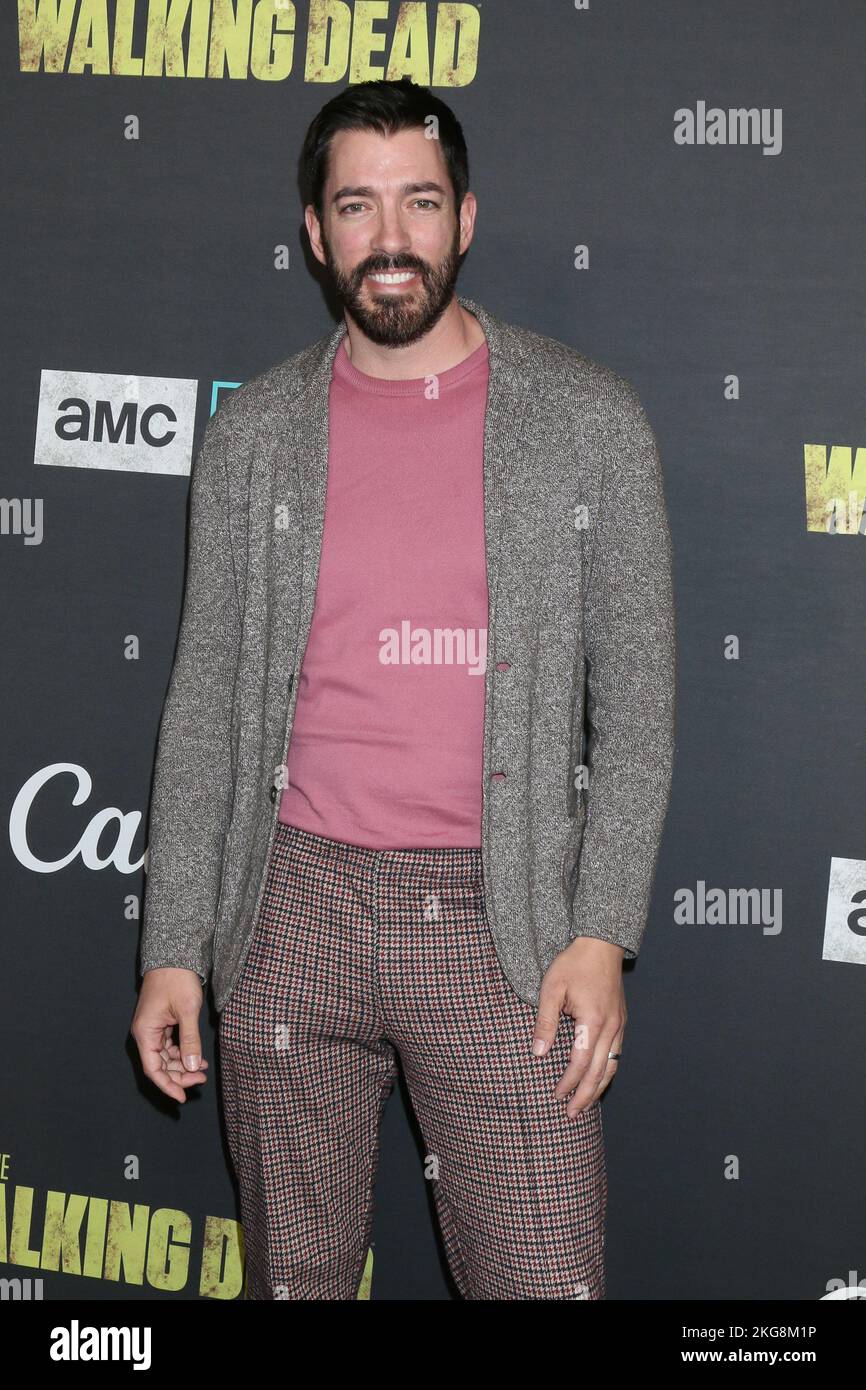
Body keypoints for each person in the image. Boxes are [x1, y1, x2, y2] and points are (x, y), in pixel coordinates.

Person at [131, 77, 676, 1301]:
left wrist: (599, 931)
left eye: (418, 203)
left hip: (504, 922)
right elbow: (206, 702)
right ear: (315, 235)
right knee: (296, 1283)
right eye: (357, 207)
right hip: (288, 909)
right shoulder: (254, 434)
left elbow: (635, 709)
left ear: (464, 219)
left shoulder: (588, 422)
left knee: (544, 1279)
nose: (390, 240)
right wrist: (174, 945)